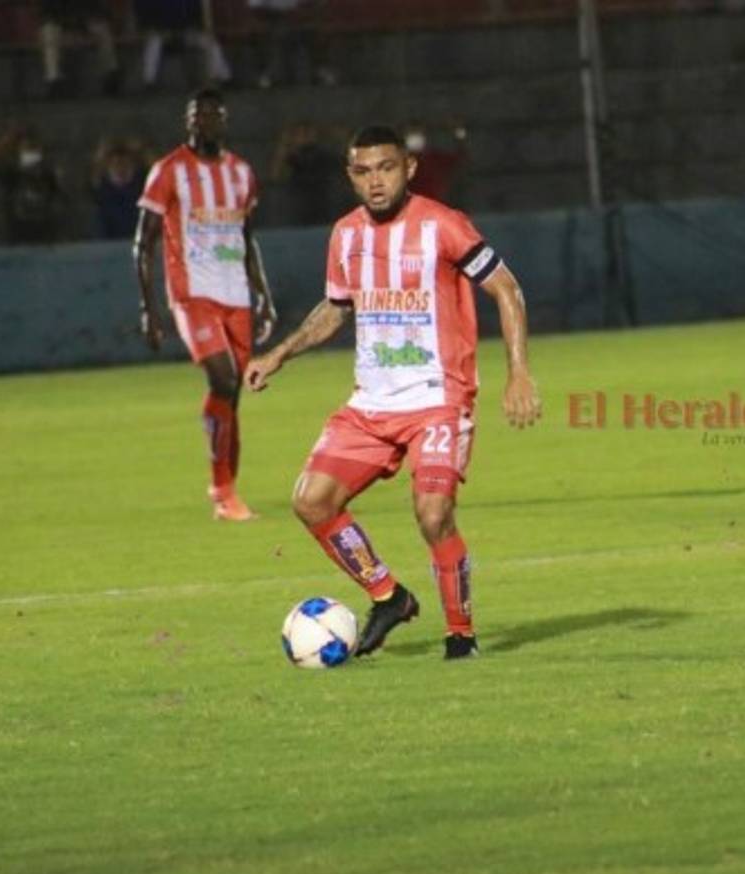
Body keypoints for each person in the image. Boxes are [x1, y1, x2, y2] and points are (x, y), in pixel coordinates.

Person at [244, 124, 542, 661]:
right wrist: (278, 354)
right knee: (311, 502)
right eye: (363, 171)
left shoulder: (443, 226)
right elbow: (336, 307)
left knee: (433, 514)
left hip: (437, 400)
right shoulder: (346, 236)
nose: (375, 181)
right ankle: (390, 595)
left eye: (386, 168)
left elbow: (506, 287)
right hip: (371, 404)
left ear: (408, 169)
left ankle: (461, 637)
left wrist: (518, 372)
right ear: (350, 176)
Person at [133, 88, 278, 521]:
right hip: (192, 293)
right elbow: (144, 242)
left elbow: (247, 238)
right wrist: (149, 307)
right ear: (188, 122)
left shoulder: (241, 173)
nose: (206, 121)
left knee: (231, 397)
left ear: (224, 121)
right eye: (198, 114)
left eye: (214, 114)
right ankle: (222, 491)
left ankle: (230, 488)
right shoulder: (169, 170)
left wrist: (264, 297)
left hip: (236, 296)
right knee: (222, 380)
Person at [134, 0, 232, 90]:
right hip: (161, 32)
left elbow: (197, 14)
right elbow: (144, 13)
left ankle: (224, 76)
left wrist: (192, 27)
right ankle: (149, 81)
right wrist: (156, 29)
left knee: (210, 43)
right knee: (153, 43)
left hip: (186, 31)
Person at [37, 0, 122, 98]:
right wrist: (68, 31)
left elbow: (99, 10)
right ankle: (54, 80)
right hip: (60, 27)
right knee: (48, 32)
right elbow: (47, 14)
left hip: (84, 27)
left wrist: (82, 30)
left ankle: (110, 74)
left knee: (102, 29)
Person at [0, 126, 64, 244]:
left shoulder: (47, 171)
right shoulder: (12, 171)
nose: (31, 154)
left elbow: (57, 197)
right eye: (27, 149)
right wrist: (6, 141)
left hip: (44, 230)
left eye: (33, 149)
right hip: (19, 230)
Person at [91, 136, 148, 239]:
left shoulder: (143, 187)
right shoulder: (102, 192)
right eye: (116, 164)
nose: (120, 168)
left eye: (125, 164)